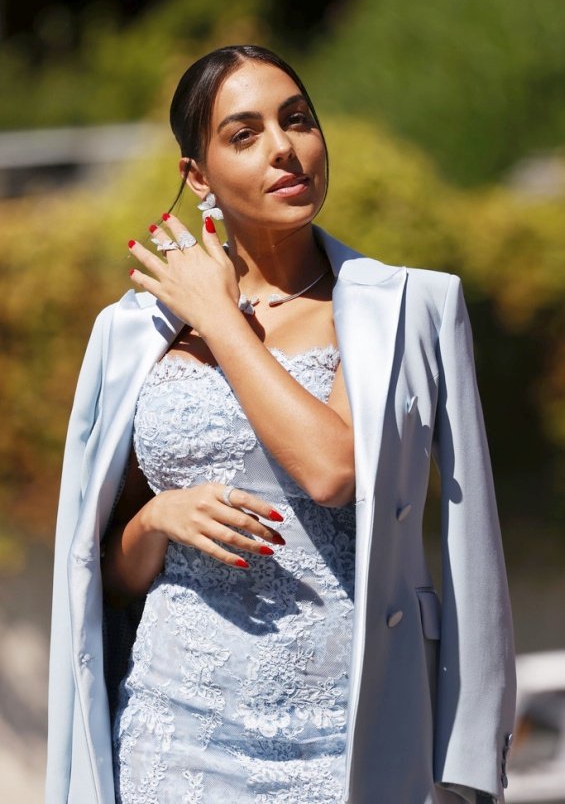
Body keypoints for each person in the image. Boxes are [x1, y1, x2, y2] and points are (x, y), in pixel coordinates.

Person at [46, 45, 516, 804]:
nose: (283, 147)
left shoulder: (404, 309)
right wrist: (158, 519)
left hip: (349, 736)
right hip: (174, 734)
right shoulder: (128, 333)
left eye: (297, 120)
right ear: (196, 176)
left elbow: (333, 471)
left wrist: (219, 320)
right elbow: (107, 573)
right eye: (243, 133)